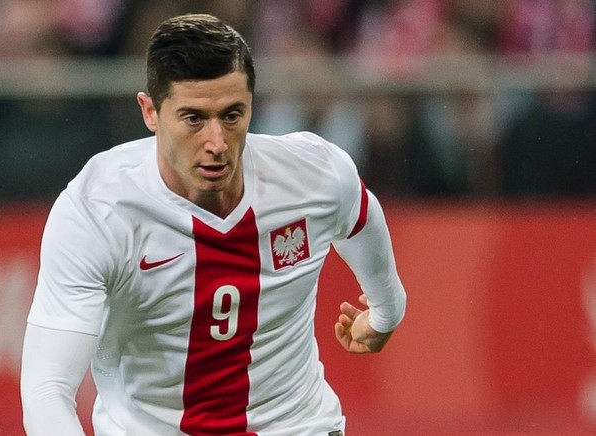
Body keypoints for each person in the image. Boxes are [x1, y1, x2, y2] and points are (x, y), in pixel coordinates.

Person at [20, 13, 406, 436]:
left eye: (232, 115)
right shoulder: (98, 213)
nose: (217, 143)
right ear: (150, 112)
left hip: (297, 426)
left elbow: (361, 217)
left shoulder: (312, 174)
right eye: (194, 118)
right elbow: (47, 390)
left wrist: (386, 311)